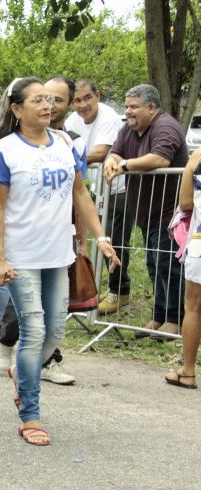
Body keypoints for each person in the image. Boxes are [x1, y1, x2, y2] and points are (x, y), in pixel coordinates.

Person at [0, 77, 119, 446]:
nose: (48, 106)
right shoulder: (5, 151)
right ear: (16, 110)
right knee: (33, 330)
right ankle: (30, 412)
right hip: (20, 256)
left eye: (50, 100)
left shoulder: (64, 143)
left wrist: (101, 237)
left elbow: (80, 193)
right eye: (37, 101)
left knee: (55, 332)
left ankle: (22, 373)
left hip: (58, 254)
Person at [104, 84, 189, 337]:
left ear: (151, 108)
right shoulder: (128, 129)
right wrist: (111, 160)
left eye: (133, 106)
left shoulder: (165, 126)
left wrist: (124, 165)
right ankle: (158, 316)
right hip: (145, 212)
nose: (128, 111)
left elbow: (160, 160)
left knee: (168, 266)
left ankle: (175, 320)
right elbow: (114, 151)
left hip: (169, 213)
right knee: (154, 265)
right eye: (127, 106)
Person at [66, 80, 128, 313]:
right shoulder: (73, 120)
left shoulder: (109, 117)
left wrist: (66, 158)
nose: (82, 105)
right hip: (90, 189)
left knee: (114, 240)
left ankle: (118, 291)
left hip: (118, 188)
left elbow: (101, 152)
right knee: (89, 242)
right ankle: (89, 292)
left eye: (87, 98)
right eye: (77, 100)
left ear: (97, 96)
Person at [167, 146, 201, 389]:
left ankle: (188, 370)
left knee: (194, 306)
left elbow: (186, 202)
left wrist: (190, 166)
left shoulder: (199, 156)